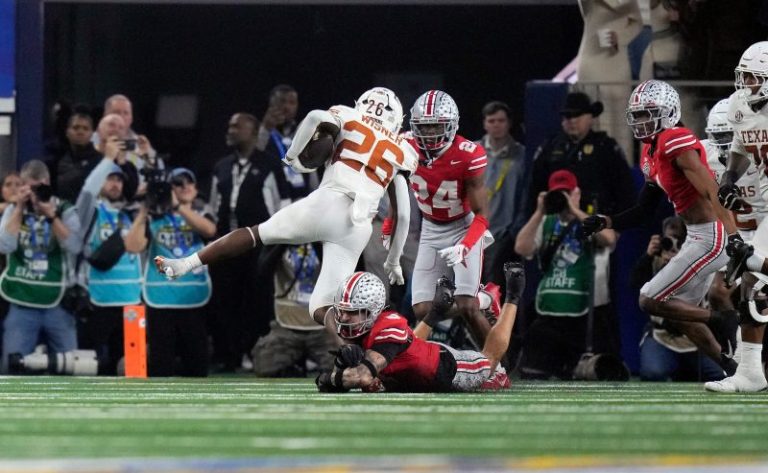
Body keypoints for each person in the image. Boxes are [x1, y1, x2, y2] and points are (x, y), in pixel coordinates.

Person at [156, 87, 418, 330]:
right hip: (357, 226)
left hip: (328, 202)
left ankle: (184, 264)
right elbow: (403, 214)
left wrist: (293, 156)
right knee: (324, 307)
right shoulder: (401, 149)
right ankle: (360, 358)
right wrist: (393, 261)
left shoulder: (347, 115)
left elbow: (315, 116)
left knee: (255, 234)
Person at [581, 79, 742, 370]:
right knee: (679, 313)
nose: (642, 121)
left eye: (648, 113)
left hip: (711, 235)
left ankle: (722, 319)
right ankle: (730, 366)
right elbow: (644, 209)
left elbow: (710, 189)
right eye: (638, 115)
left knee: (648, 299)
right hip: (697, 234)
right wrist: (607, 220)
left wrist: (733, 236)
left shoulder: (674, 138)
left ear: (669, 111)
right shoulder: (651, 150)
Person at [314, 262, 524, 393]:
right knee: (407, 352)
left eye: (352, 312)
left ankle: (511, 297)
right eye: (341, 310)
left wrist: (332, 378)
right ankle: (437, 312)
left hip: (445, 368)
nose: (343, 317)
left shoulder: (388, 326)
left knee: (490, 360)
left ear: (373, 311)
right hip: (413, 362)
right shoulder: (364, 329)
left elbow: (361, 376)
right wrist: (342, 365)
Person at [404, 90, 495, 348]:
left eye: (436, 126)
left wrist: (466, 245)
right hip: (430, 228)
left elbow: (483, 215)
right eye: (425, 126)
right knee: (423, 309)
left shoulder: (468, 154)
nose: (430, 133)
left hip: (463, 226)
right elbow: (393, 186)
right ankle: (486, 300)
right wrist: (389, 223)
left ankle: (496, 365)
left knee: (467, 305)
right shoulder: (404, 146)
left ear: (452, 125)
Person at [514, 170, 618, 379]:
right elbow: (521, 248)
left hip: (584, 315)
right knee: (535, 372)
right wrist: (539, 212)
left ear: (577, 193)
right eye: (558, 194)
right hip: (549, 312)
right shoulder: (547, 222)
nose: (563, 198)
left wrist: (575, 210)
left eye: (567, 193)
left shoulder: (590, 220)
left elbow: (609, 238)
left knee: (581, 373)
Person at [207, 112, 290, 371]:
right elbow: (213, 206)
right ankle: (229, 355)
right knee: (224, 300)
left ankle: (256, 353)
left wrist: (278, 245)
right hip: (225, 245)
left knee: (256, 301)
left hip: (258, 246)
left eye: (236, 126)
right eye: (230, 126)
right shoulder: (221, 166)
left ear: (253, 133)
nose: (230, 130)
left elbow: (283, 206)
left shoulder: (270, 165)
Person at [708, 41, 768, 393]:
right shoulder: (739, 105)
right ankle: (750, 371)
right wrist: (729, 180)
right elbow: (741, 149)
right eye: (743, 76)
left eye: (753, 77)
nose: (745, 83)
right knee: (751, 283)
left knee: (755, 269)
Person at [127, 168, 216, 377]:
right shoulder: (155, 216)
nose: (184, 187)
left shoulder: (202, 211)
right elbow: (132, 246)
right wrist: (143, 212)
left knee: (196, 365)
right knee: (160, 365)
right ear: (169, 188)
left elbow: (209, 231)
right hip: (161, 298)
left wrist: (179, 207)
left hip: (193, 298)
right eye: (178, 183)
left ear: (195, 189)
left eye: (189, 182)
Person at [0, 160, 82, 373]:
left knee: (71, 367)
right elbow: (4, 245)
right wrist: (19, 208)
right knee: (12, 367)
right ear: (23, 186)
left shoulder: (64, 208)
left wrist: (51, 216)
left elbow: (75, 246)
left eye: (40, 187)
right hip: (21, 300)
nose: (36, 193)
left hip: (58, 302)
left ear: (48, 183)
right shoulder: (13, 209)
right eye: (31, 187)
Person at [631, 217, 731, 381]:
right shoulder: (656, 260)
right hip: (663, 337)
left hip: (696, 341)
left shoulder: (703, 258)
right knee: (653, 372)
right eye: (668, 240)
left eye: (678, 241)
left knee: (720, 375)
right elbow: (634, 283)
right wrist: (648, 256)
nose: (673, 246)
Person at [76, 141, 143, 375]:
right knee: (92, 369)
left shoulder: (133, 213)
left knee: (134, 368)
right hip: (99, 302)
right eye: (110, 178)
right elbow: (87, 190)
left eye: (119, 179)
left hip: (132, 301)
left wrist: (132, 159)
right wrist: (107, 160)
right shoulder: (91, 212)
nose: (115, 183)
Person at [530, 91, 636, 218]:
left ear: (591, 117)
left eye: (578, 115)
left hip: (597, 221)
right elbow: (534, 188)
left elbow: (624, 189)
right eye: (567, 116)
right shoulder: (549, 147)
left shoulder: (606, 147)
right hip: (556, 220)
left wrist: (617, 227)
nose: (572, 120)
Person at [475, 101, 528, 288]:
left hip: (502, 234)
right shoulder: (473, 152)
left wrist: (515, 231)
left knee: (493, 288)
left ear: (509, 123)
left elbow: (525, 195)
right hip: (472, 232)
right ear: (484, 123)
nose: (496, 125)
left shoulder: (522, 155)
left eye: (501, 120)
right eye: (491, 120)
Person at [52, 112, 102, 203]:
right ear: (67, 132)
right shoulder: (57, 162)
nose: (80, 132)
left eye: (85, 129)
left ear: (92, 134)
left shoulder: (100, 161)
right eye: (76, 128)